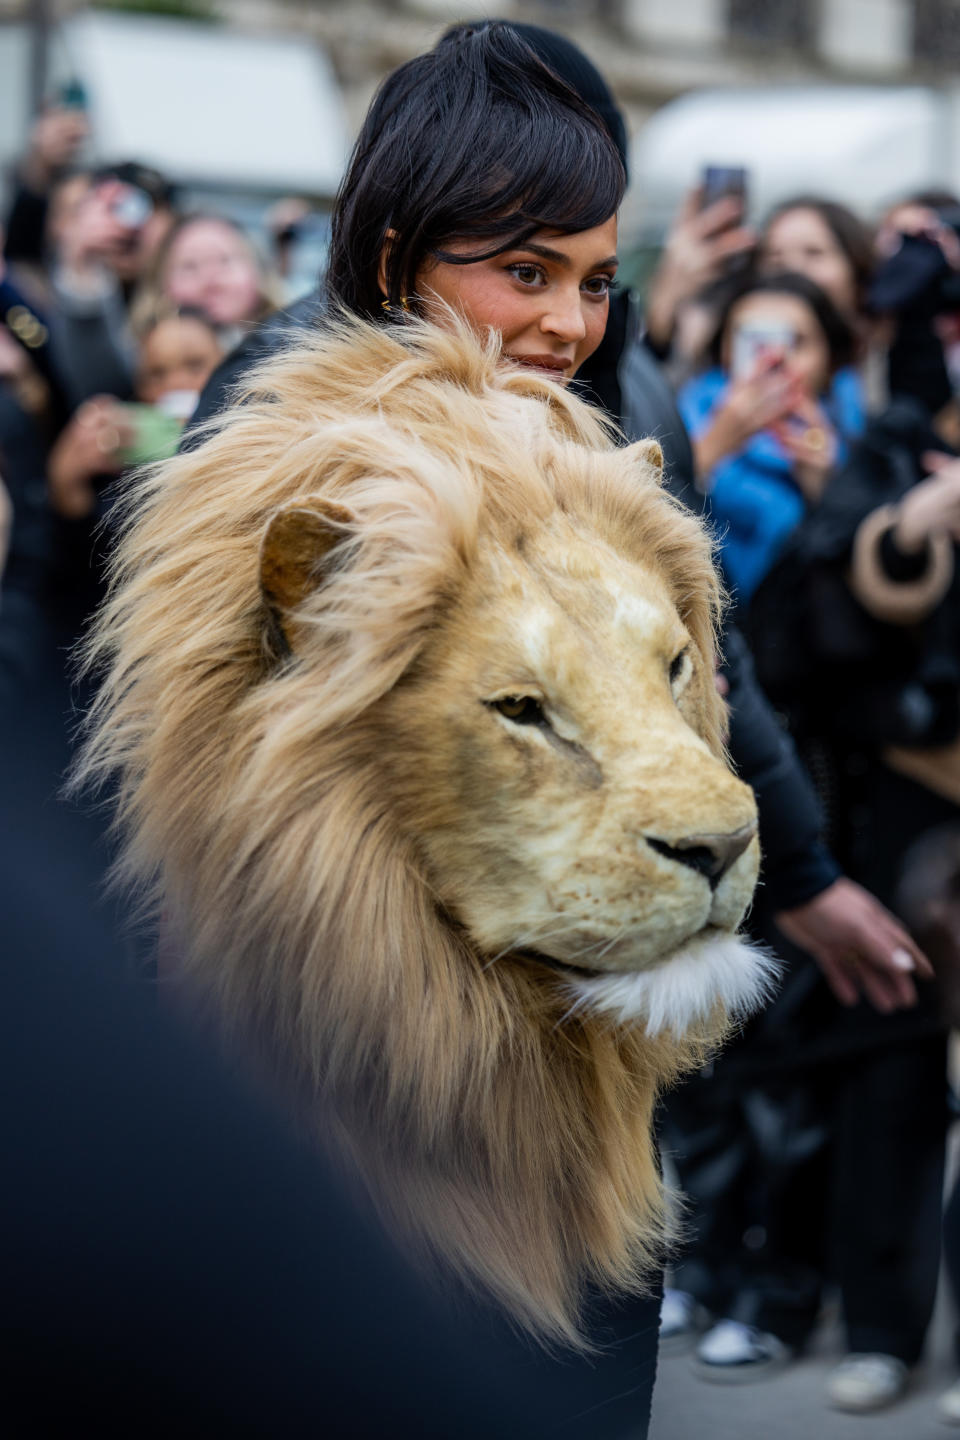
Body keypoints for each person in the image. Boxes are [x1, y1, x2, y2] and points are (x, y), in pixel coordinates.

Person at [181, 20, 931, 1426]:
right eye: (524, 272)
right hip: (366, 1087)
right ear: (400, 249)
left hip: (582, 1062)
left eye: (593, 277)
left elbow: (711, 679)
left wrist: (810, 873)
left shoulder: (601, 396)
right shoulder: (286, 425)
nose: (568, 322)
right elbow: (206, 777)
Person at [677, 271, 863, 603]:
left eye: (794, 342)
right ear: (724, 350)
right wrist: (709, 451)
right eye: (754, 341)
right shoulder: (678, 418)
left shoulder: (856, 429)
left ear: (828, 356)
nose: (773, 359)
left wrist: (827, 486)